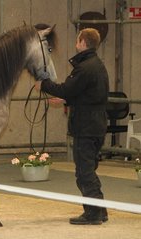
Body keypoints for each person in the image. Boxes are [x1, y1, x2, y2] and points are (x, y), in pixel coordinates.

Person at [35, 28, 109, 225]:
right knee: (89, 170)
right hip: (96, 125)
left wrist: (44, 85)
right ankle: (100, 210)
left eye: (77, 40)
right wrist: (66, 100)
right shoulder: (98, 66)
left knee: (84, 172)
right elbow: (87, 95)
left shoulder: (84, 68)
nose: (76, 43)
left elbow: (67, 89)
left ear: (83, 42)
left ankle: (93, 213)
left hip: (85, 128)